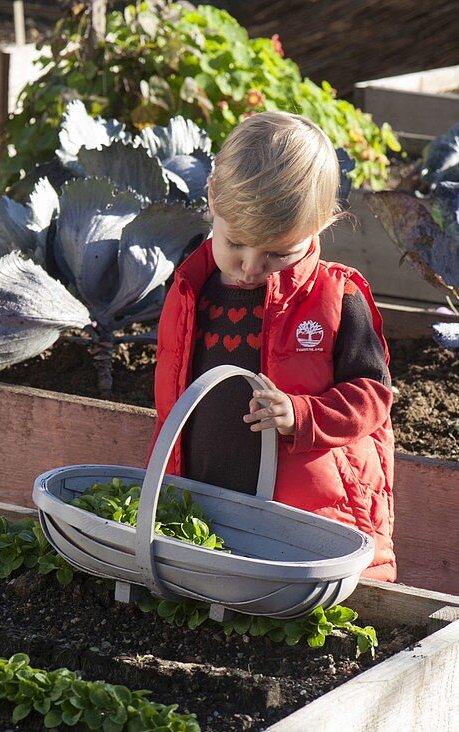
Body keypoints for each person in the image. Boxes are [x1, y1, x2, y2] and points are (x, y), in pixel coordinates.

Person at [152, 111, 395, 580]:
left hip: (304, 523)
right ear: (212, 201)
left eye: (277, 255)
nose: (249, 267)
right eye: (237, 244)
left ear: (322, 223)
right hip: (204, 494)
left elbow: (373, 395)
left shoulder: (336, 299)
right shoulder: (189, 291)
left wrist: (301, 415)